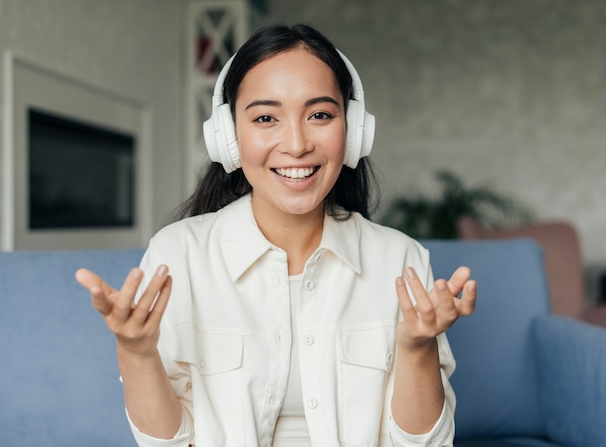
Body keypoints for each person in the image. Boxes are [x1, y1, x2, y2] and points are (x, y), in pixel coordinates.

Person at [76, 23, 476, 447]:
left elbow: (423, 445)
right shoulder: (178, 254)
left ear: (354, 130)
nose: (297, 143)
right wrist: (137, 353)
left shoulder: (400, 260)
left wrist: (417, 348)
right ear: (228, 137)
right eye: (266, 118)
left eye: (320, 114)